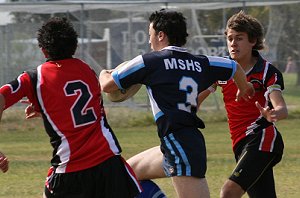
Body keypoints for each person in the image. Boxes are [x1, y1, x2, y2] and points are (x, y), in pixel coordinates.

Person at [99, 9, 254, 198]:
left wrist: (104, 73)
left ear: (161, 35)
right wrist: (243, 86)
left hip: (179, 143)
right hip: (180, 142)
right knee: (127, 174)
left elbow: (107, 86)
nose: (149, 41)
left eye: (151, 35)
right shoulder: (200, 62)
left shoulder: (150, 62)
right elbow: (234, 67)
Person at [0, 17, 141, 198]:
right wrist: (48, 111)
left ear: (43, 50)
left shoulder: (34, 78)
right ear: (74, 46)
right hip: (109, 164)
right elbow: (82, 107)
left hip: (70, 169)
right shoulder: (87, 70)